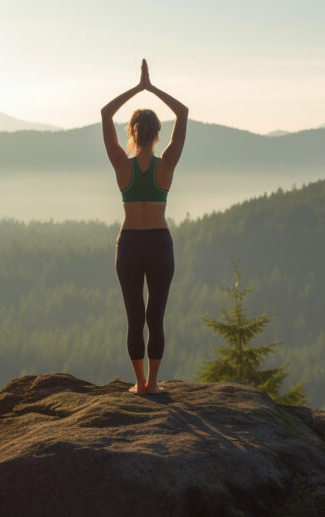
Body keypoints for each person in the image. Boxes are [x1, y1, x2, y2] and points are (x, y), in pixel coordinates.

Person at [101, 59, 188, 395]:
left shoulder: (121, 164)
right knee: (156, 317)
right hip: (159, 244)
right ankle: (153, 384)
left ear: (132, 131)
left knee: (134, 316)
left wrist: (137, 89)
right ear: (157, 134)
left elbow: (106, 114)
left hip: (129, 244)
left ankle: (138, 384)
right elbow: (183, 113)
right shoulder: (166, 165)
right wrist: (151, 88)